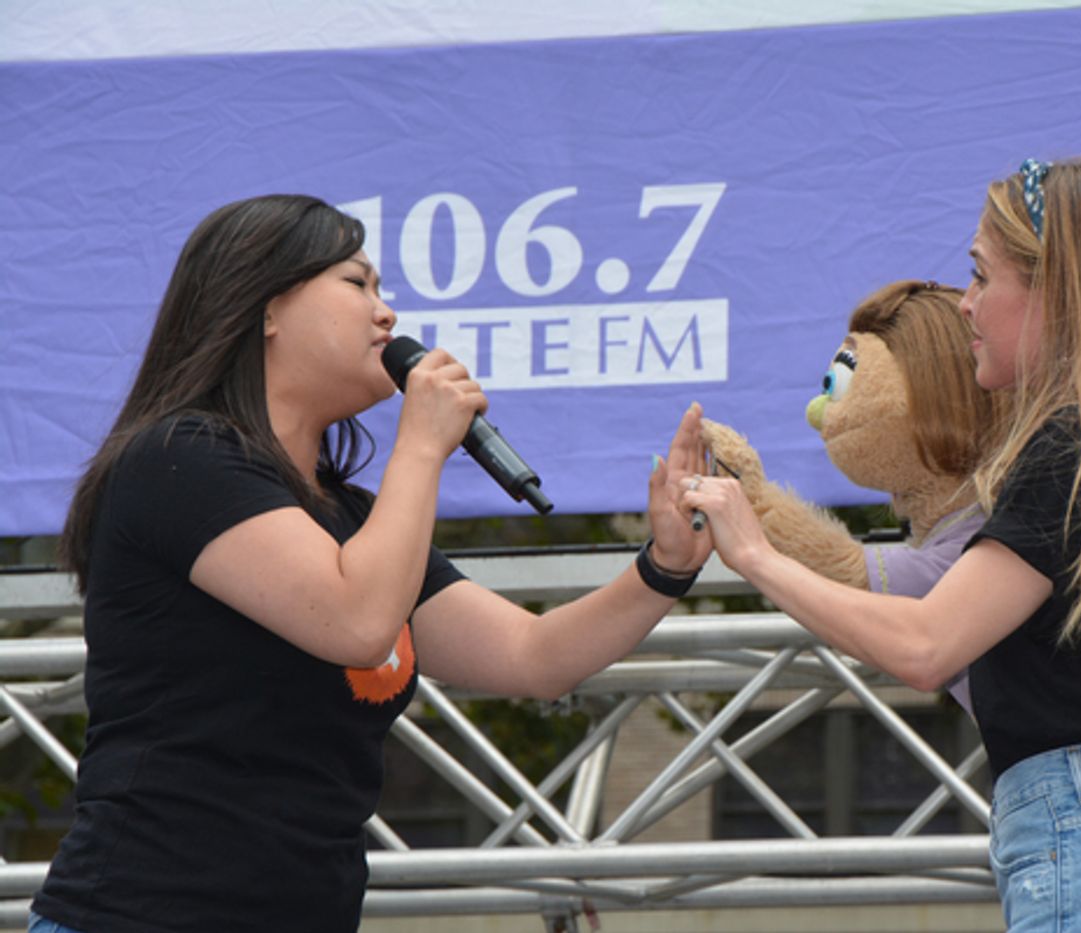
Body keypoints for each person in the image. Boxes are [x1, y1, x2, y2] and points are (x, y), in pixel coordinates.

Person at [30, 194, 709, 933]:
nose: (387, 314)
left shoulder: (353, 520)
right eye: (357, 284)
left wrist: (665, 565)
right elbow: (356, 623)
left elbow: (534, 656)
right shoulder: (178, 459)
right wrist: (420, 444)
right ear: (266, 307)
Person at [682, 158, 1081, 931]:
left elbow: (927, 642)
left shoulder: (1068, 453)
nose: (965, 302)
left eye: (981, 275)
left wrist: (756, 553)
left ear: (1061, 292)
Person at [701, 280, 1004, 711]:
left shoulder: (990, 535)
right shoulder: (977, 527)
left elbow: (849, 574)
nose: (817, 412)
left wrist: (755, 507)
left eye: (841, 385)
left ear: (933, 390)